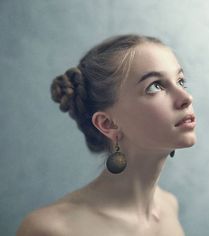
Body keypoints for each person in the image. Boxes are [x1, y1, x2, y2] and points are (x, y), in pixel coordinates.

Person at [16, 34, 197, 236]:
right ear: (107, 123)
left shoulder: (170, 206)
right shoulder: (50, 229)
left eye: (181, 81)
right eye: (155, 86)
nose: (186, 98)